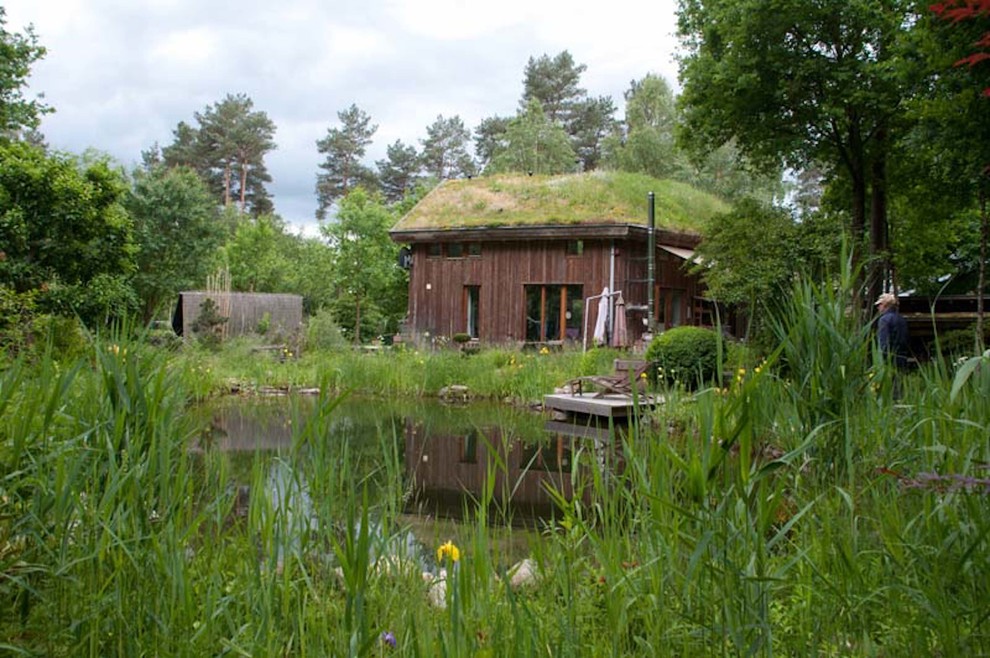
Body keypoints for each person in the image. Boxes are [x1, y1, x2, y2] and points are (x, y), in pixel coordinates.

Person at [875, 292, 910, 369]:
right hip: (902, 356)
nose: (878, 307)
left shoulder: (884, 320)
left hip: (889, 358)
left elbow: (884, 342)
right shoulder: (902, 319)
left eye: (879, 304)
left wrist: (882, 358)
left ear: (885, 305)